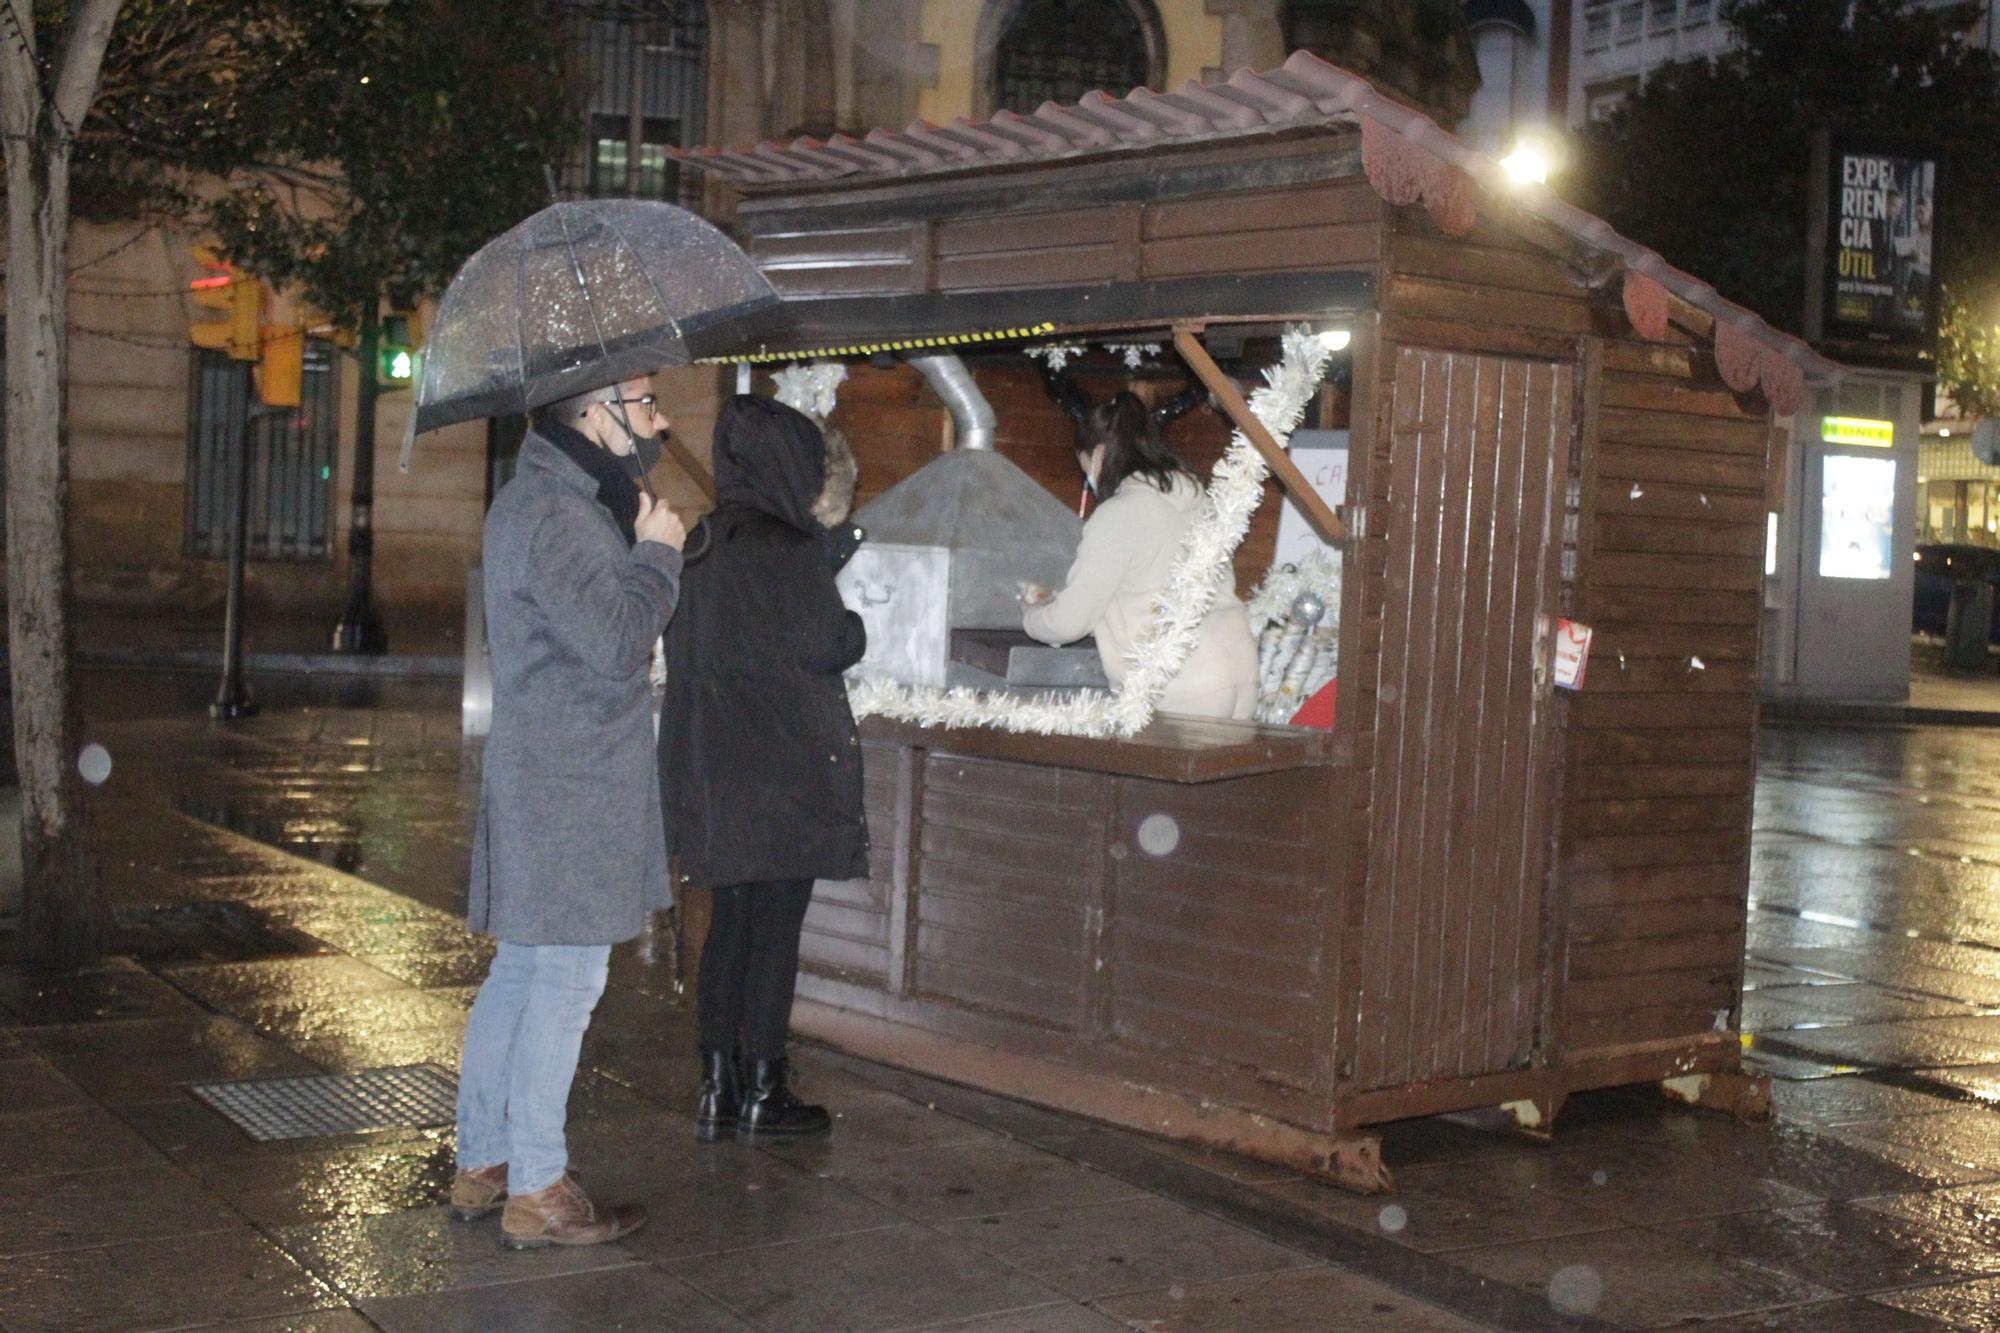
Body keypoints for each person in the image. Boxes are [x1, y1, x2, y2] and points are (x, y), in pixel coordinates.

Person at [452, 376, 684, 1250]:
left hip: (548, 773)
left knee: (521, 971)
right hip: (571, 784)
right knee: (566, 981)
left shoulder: (545, 501)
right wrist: (658, 552)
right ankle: (539, 1183)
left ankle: (489, 1159)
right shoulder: (560, 514)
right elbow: (619, 642)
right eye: (645, 400)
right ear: (595, 411)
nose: (659, 419)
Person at [659, 395, 868, 1142]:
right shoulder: (790, 548)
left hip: (714, 771)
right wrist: (858, 626)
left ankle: (717, 1083)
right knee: (776, 929)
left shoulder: (701, 541)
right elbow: (826, 642)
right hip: (782, 770)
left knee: (728, 927)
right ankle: (765, 1088)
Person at [1022, 391, 1259, 720]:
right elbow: (1148, 587)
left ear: (1100, 454)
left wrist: (1031, 614)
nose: (1090, 483)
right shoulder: (1200, 501)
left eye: (1086, 470)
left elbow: (1068, 622)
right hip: (1239, 669)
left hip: (1180, 684)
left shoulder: (1121, 513)